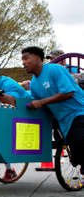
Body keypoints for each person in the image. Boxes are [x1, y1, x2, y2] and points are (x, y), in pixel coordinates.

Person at [22, 46, 84, 176]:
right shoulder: (33, 84)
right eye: (22, 59)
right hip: (64, 120)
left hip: (79, 112)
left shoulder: (55, 69)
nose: (23, 62)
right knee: (75, 159)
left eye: (26, 58)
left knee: (79, 144)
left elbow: (68, 93)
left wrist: (41, 102)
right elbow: (40, 105)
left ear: (38, 58)